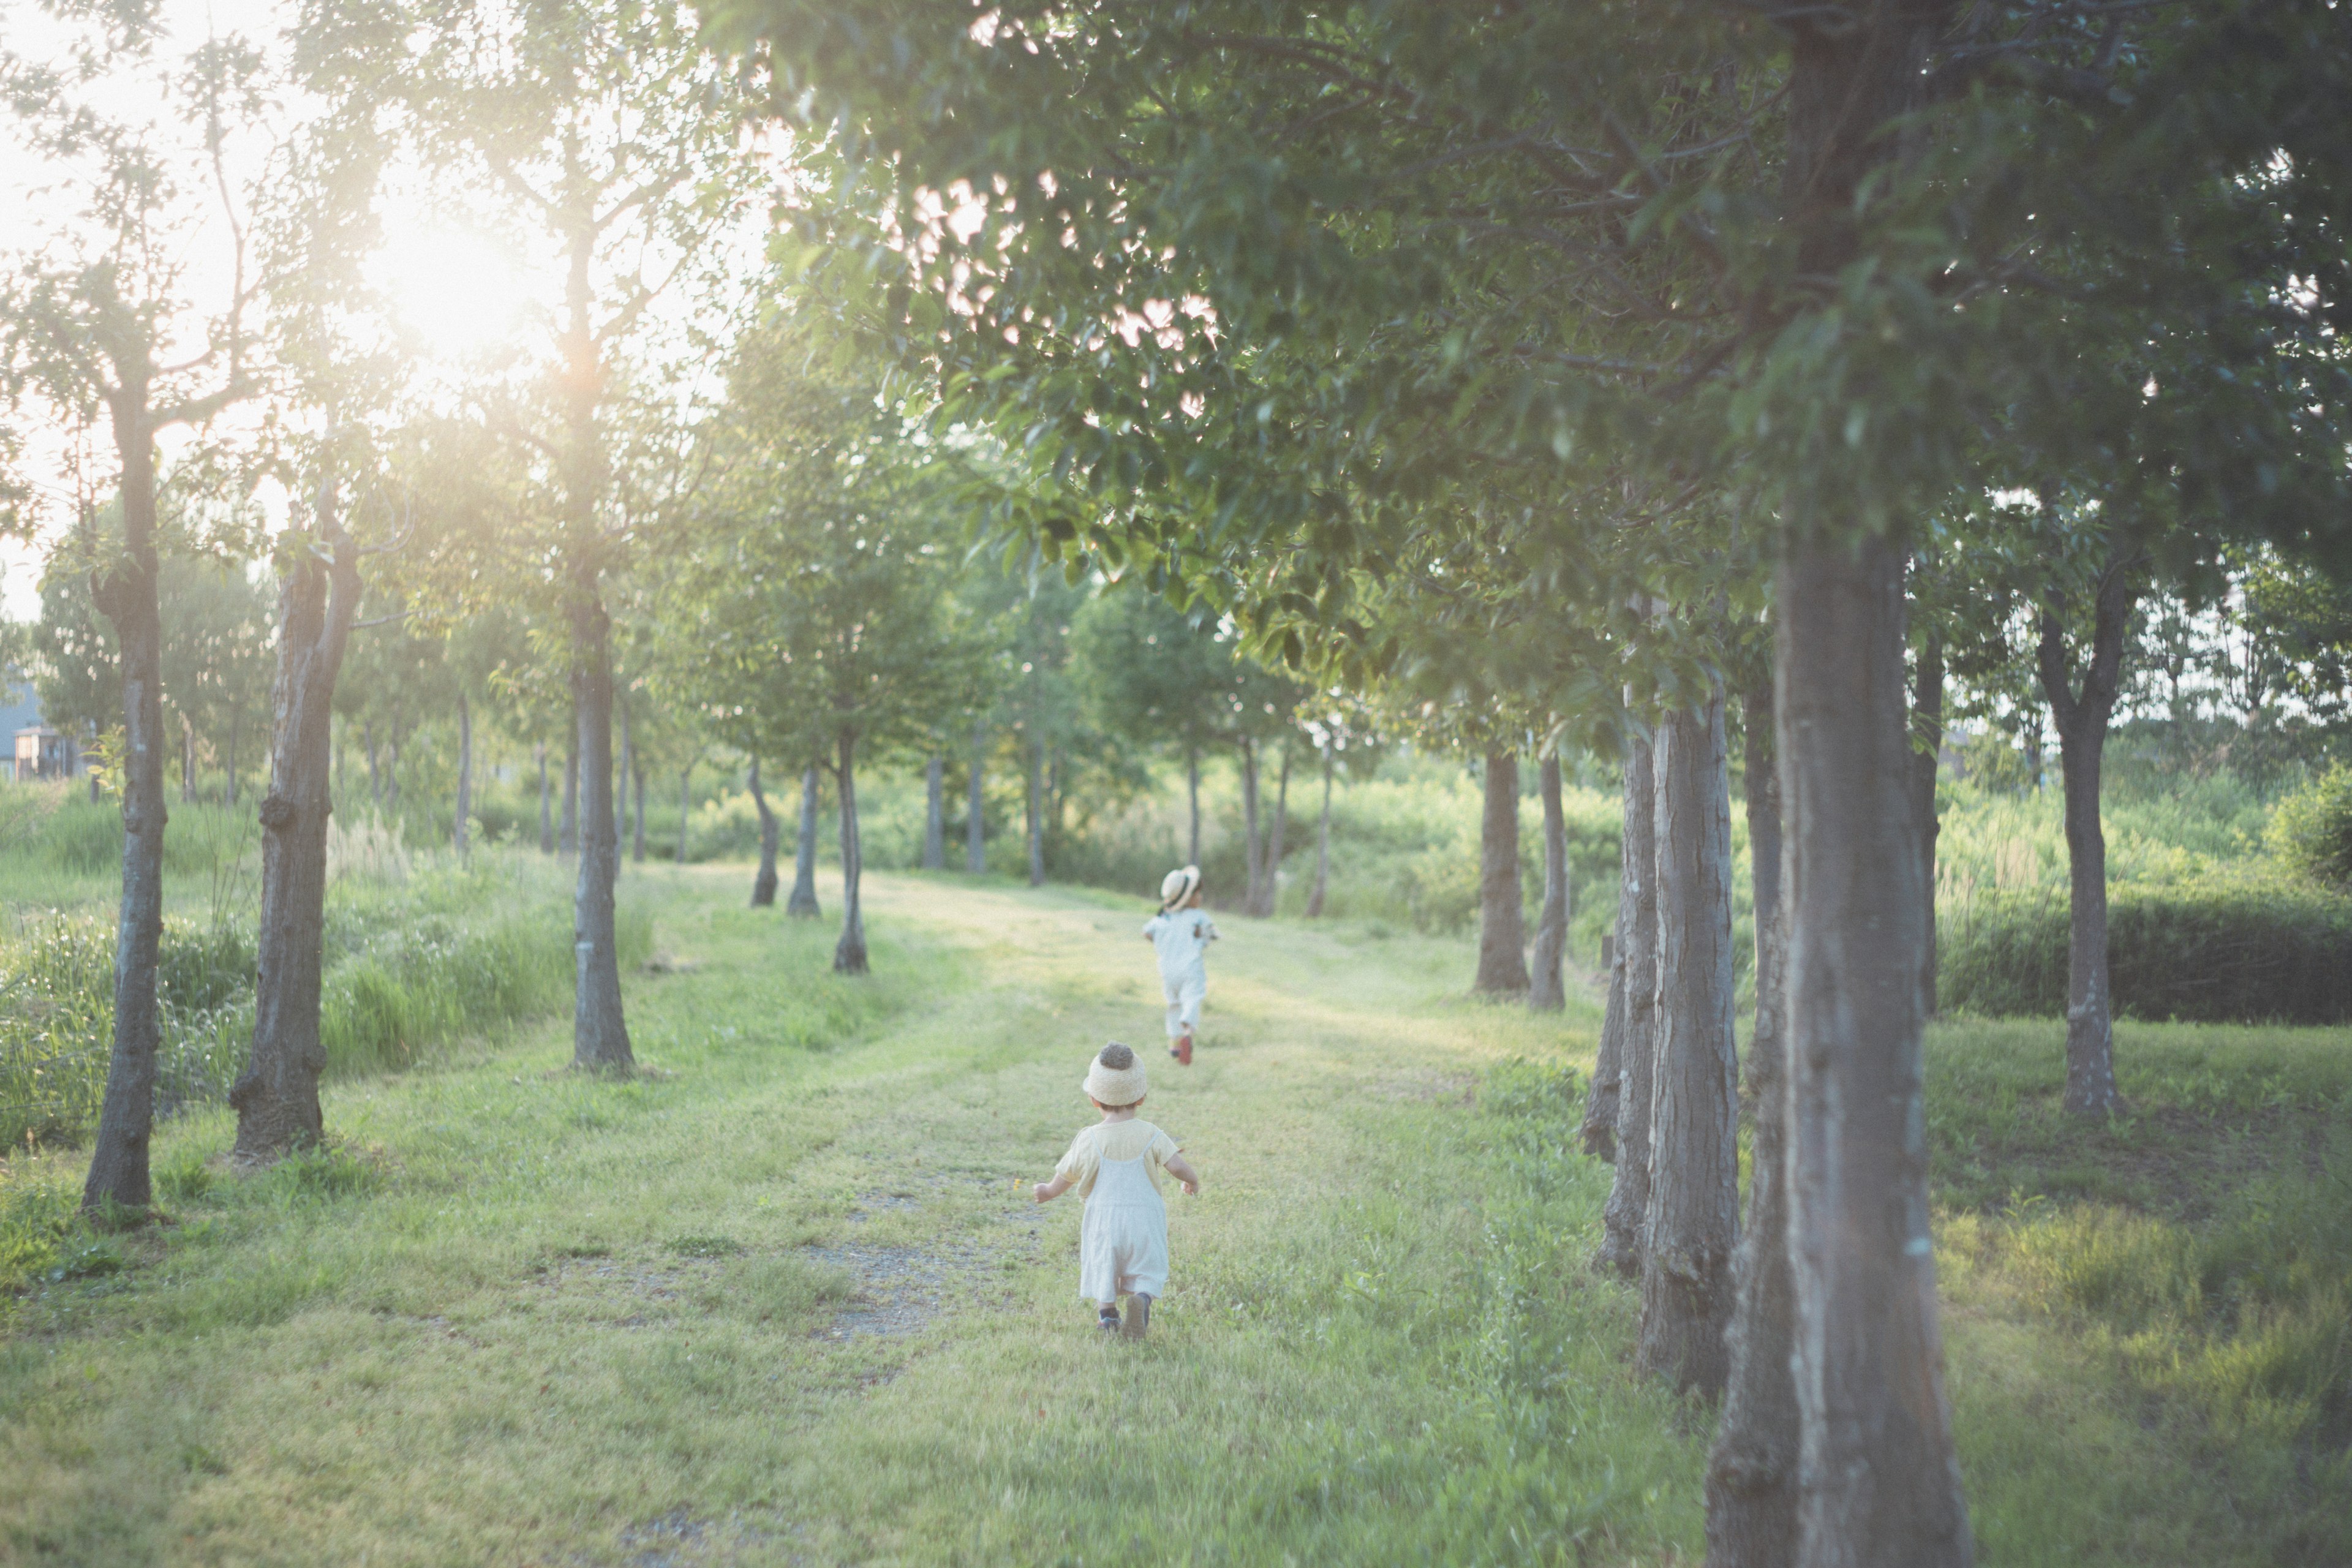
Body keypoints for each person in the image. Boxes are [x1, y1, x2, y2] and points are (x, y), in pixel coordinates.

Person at [1031, 1042, 1200, 1338]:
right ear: (1142, 1098)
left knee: (1104, 1265)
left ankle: (1108, 1317)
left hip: (1104, 1220)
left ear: (1094, 1100)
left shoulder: (1089, 1139)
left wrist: (1047, 1191)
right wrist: (1192, 1181)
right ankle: (1143, 1298)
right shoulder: (1151, 1134)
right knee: (1148, 1267)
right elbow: (1177, 1167)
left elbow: (1066, 1176)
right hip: (1144, 1219)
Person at [1142, 864, 1216, 1066]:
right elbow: (1212, 934)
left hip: (1167, 970)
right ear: (1190, 897)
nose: (1201, 898)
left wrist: (1162, 942)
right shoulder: (1198, 916)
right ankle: (1187, 1031)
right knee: (1192, 998)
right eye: (1198, 894)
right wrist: (1201, 938)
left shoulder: (1162, 918)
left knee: (1174, 1003)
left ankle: (1175, 1043)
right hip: (1191, 968)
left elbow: (1147, 932)